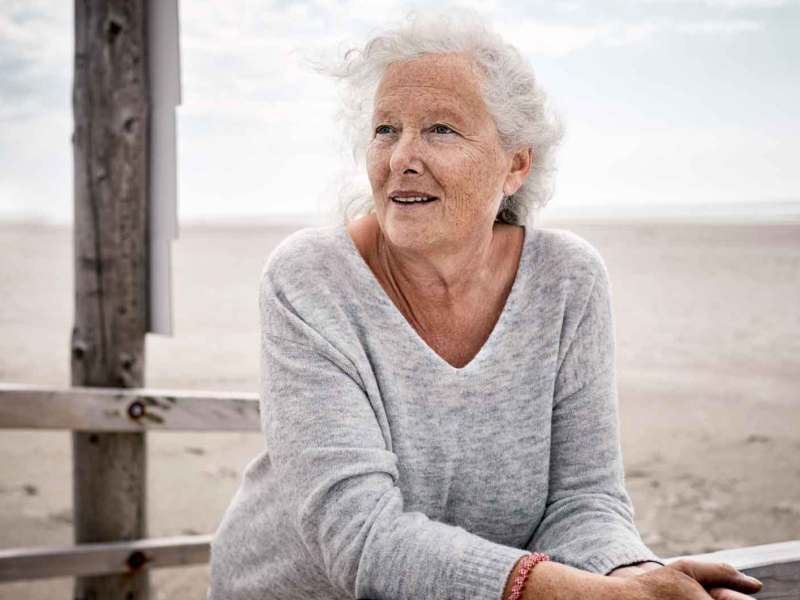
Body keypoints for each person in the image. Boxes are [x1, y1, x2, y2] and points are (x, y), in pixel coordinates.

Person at [208, 13, 763, 600]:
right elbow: (359, 533)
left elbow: (584, 499)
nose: (401, 157)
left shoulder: (566, 280)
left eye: (441, 130)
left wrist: (630, 576)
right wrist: (595, 597)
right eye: (385, 129)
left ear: (515, 165)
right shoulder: (311, 277)